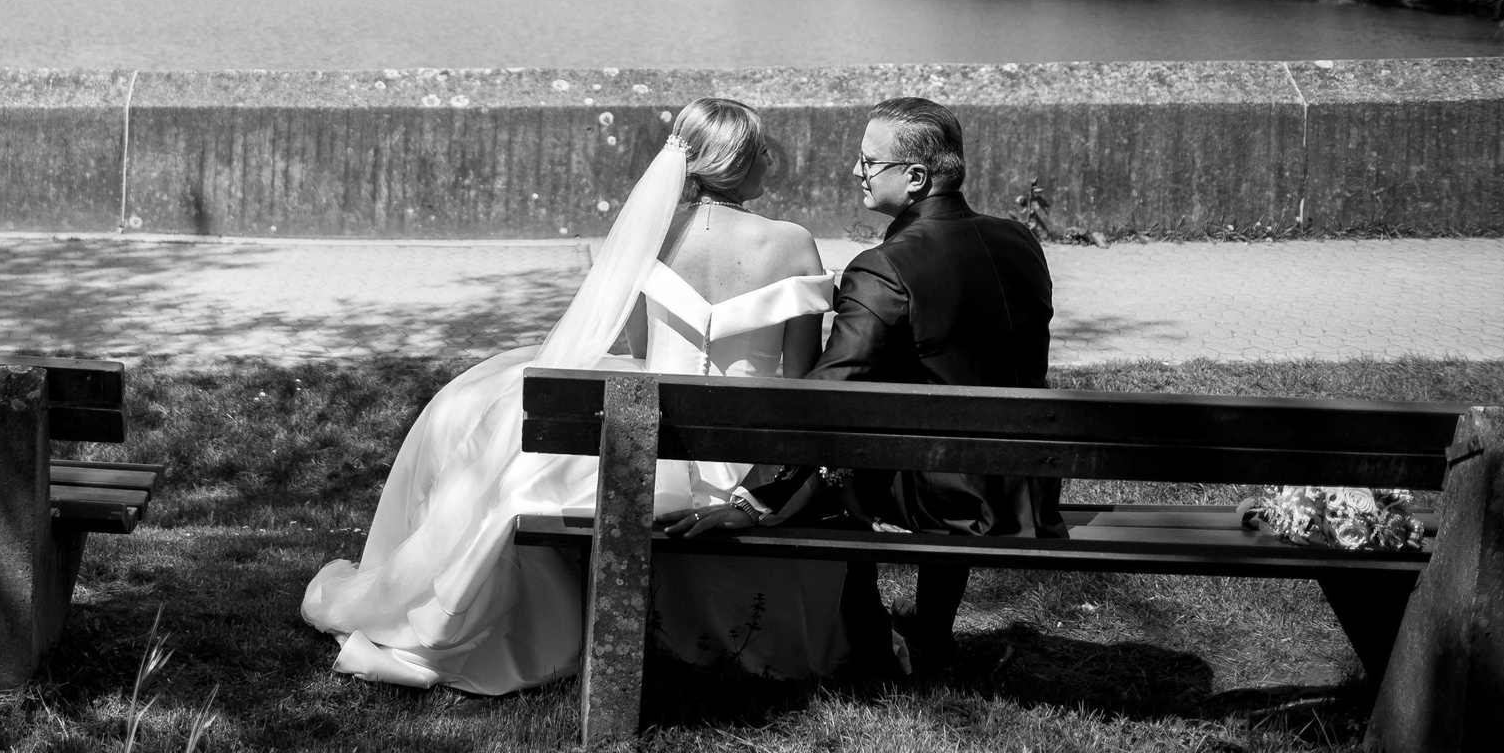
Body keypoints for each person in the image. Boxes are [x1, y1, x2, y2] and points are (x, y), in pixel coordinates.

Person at [299, 97, 851, 692]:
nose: (770, 160)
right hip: (744, 471)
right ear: (741, 161)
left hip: (654, 450)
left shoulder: (656, 233)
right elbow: (801, 378)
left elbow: (639, 350)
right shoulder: (792, 241)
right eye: (762, 149)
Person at [739, 94, 1061, 676]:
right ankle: (932, 630)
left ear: (916, 177)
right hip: (1027, 488)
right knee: (940, 437)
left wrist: (758, 492)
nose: (855, 172)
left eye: (869, 163)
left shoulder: (883, 267)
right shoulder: (1020, 241)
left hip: (947, 496)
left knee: (839, 462)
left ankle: (865, 633)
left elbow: (830, 393)